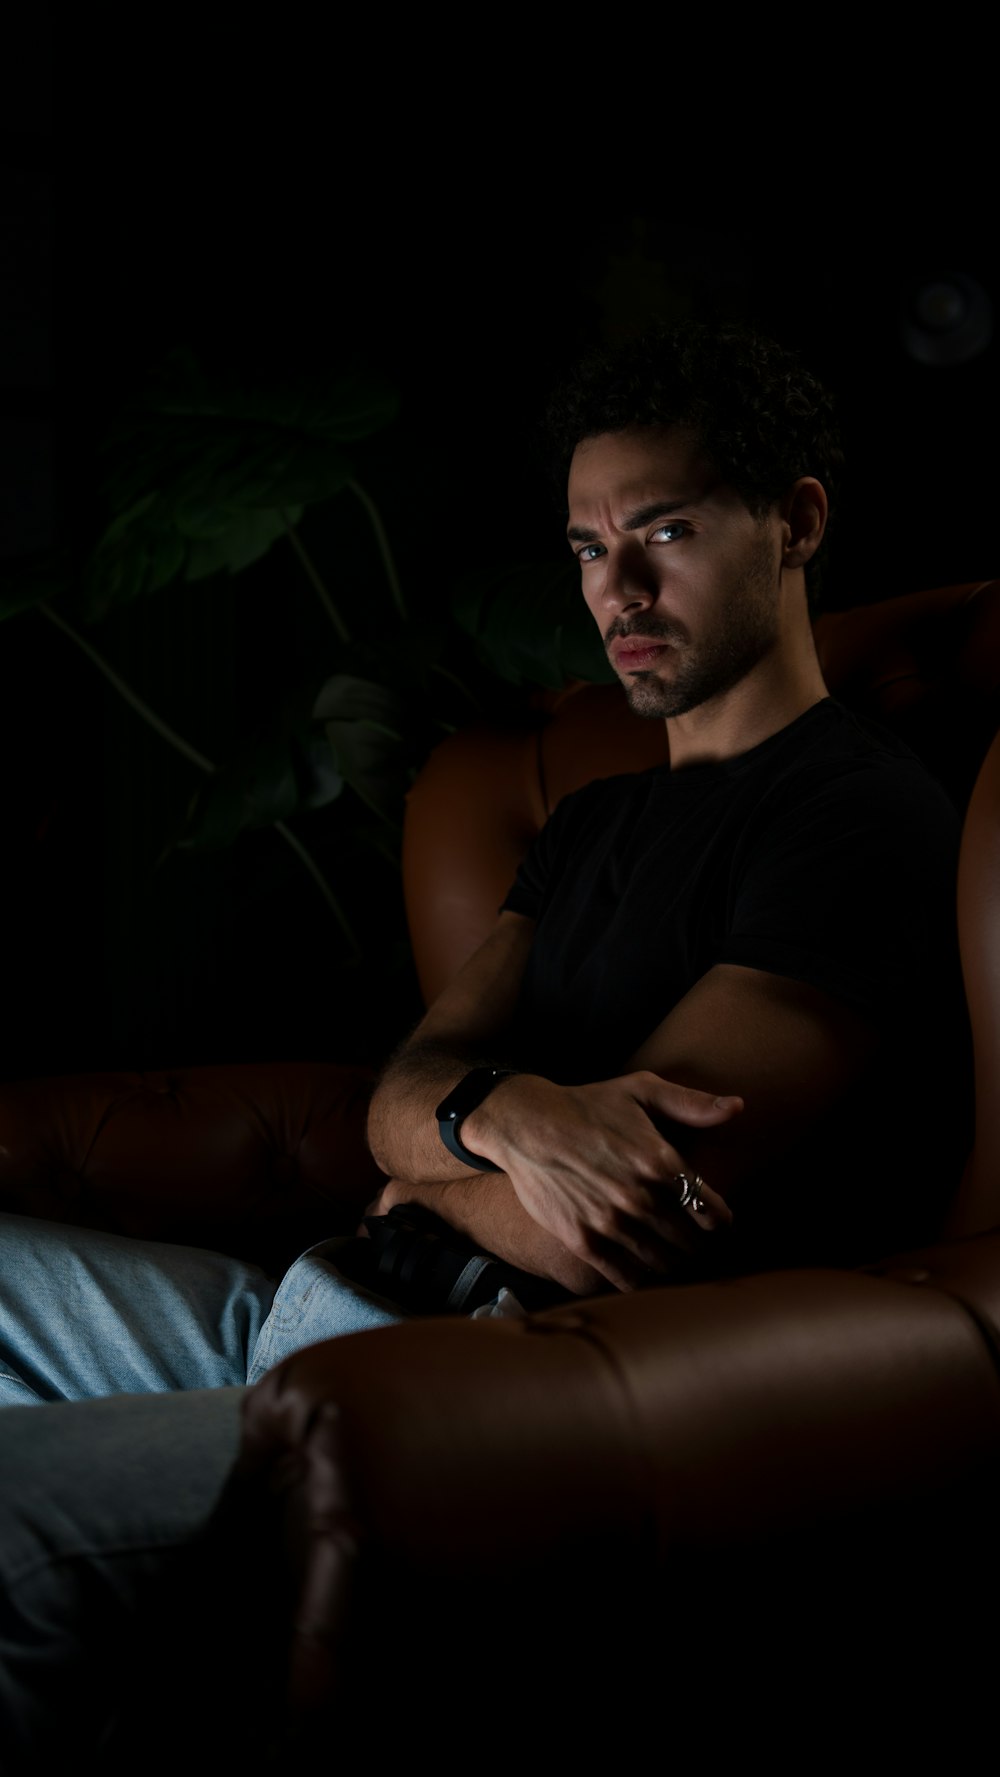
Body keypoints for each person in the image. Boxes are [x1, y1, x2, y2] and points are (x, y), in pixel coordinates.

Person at [0, 317, 971, 1758]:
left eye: (665, 532)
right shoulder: (587, 821)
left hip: (475, 1380)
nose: (617, 590)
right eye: (587, 548)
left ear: (797, 522)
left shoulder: (853, 818)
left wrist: (426, 1164)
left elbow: (619, 1216)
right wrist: (494, 1119)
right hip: (308, 1307)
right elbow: (405, 1087)